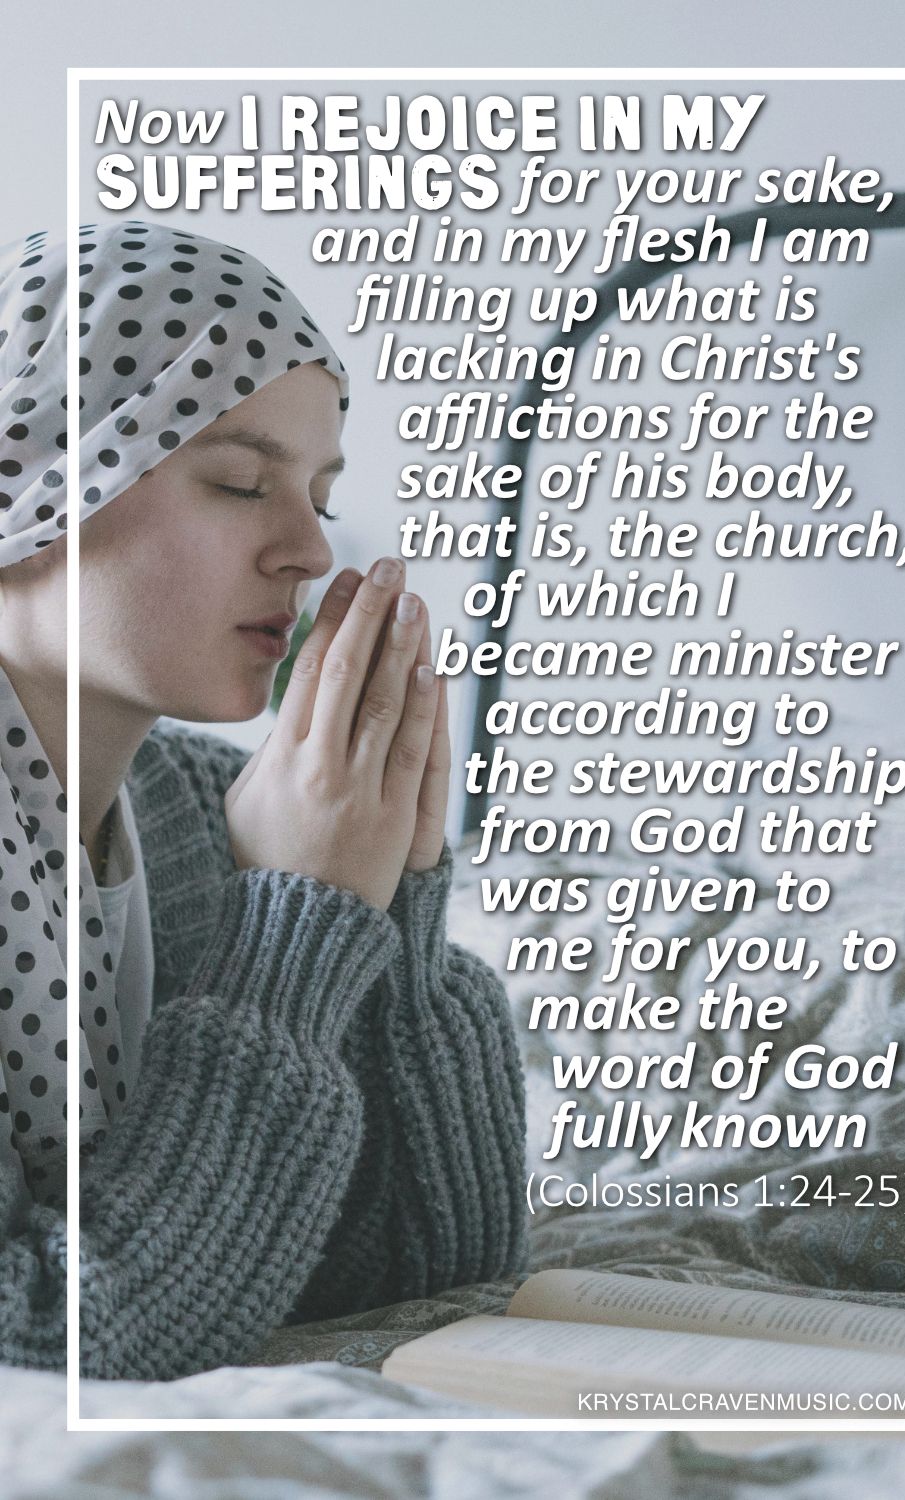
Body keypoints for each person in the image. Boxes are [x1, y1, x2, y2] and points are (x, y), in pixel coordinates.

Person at [0, 221, 526, 1380]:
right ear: (37, 480)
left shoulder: (197, 806)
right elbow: (56, 1342)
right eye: (241, 482)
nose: (309, 549)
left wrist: (395, 905)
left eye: (321, 493)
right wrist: (288, 930)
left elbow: (431, 1259)